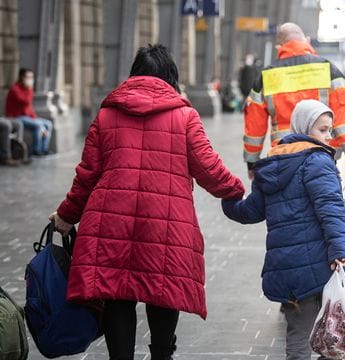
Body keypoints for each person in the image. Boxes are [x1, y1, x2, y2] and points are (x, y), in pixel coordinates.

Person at [48, 44, 245, 360]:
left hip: (111, 222)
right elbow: (209, 168)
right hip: (165, 224)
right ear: (170, 76)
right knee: (163, 290)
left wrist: (67, 214)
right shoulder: (184, 116)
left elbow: (87, 174)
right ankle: (162, 355)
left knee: (118, 294)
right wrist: (237, 190)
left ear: (134, 75)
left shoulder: (107, 114)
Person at [222, 99, 345, 360]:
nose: (329, 137)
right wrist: (339, 250)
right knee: (334, 333)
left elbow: (250, 212)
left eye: (330, 130)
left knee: (298, 336)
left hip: (287, 269)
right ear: (304, 127)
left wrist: (229, 199)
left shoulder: (271, 163)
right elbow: (331, 210)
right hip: (320, 265)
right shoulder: (317, 161)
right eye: (323, 130)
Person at [243, 22, 345, 180]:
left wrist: (252, 163)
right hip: (323, 155)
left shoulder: (266, 76)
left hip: (285, 155)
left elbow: (254, 126)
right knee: (324, 198)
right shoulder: (329, 70)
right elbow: (343, 118)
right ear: (306, 40)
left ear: (279, 47)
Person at [5, 68, 53, 155]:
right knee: (39, 125)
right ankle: (36, 150)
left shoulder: (27, 89)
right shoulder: (15, 89)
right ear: (22, 78)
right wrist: (29, 89)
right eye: (28, 77)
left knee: (48, 124)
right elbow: (25, 101)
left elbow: (29, 107)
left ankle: (44, 149)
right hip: (16, 117)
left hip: (26, 117)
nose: (31, 80)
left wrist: (34, 118)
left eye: (32, 77)